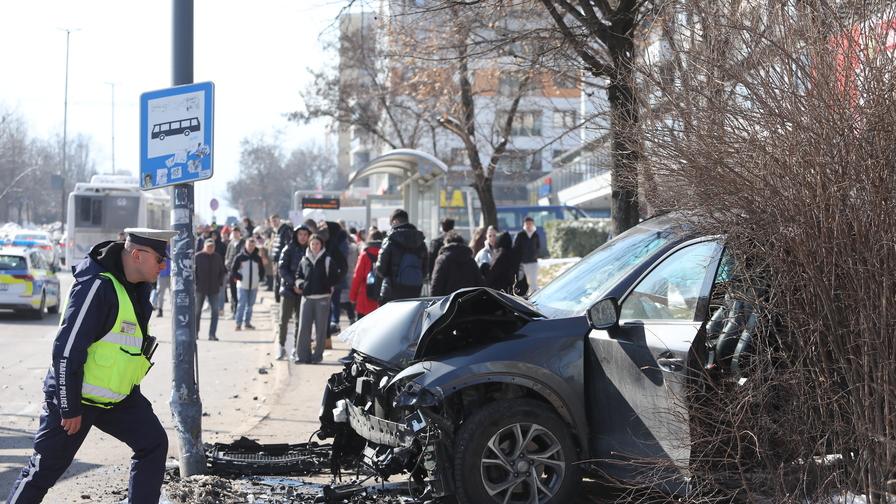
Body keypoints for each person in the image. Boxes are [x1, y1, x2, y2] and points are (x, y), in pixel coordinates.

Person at [7, 228, 172, 504]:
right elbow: (66, 349)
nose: (163, 266)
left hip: (118, 400)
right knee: (42, 473)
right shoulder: (97, 286)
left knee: (153, 443)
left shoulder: (137, 289)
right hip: (76, 399)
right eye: (159, 259)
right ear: (137, 255)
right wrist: (69, 405)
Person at [295, 234, 339, 363]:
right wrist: (301, 284)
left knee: (321, 330)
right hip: (307, 298)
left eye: (317, 244)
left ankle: (317, 356)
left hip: (323, 298)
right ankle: (303, 356)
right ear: (309, 244)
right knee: (304, 328)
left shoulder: (327, 260)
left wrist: (328, 285)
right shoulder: (304, 260)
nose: (315, 246)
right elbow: (298, 275)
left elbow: (335, 276)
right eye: (313, 243)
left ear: (321, 245)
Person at [375, 209, 428, 303]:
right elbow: (425, 269)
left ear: (395, 221)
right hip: (414, 290)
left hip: (391, 291)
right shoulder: (420, 241)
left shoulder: (390, 239)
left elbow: (380, 269)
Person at [277, 225, 311, 360]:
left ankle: (296, 349)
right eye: (300, 234)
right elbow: (282, 269)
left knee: (300, 322)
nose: (303, 237)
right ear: (296, 235)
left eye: (305, 234)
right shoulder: (288, 249)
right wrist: (293, 284)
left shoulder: (310, 250)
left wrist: (303, 286)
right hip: (288, 290)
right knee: (284, 320)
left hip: (303, 291)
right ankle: (281, 347)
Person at [430, 231, 484, 296]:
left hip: (447, 302)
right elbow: (479, 282)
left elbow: (436, 283)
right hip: (468, 301)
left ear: (446, 243)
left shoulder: (442, 259)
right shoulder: (470, 260)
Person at [195, 238, 227, 341]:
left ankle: (212, 334)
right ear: (204, 246)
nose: (210, 248)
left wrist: (219, 283)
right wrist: (196, 283)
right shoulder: (197, 257)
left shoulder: (217, 257)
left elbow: (222, 271)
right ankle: (195, 333)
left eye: (212, 247)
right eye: (208, 246)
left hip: (214, 289)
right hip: (200, 288)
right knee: (197, 311)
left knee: (215, 312)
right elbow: (193, 272)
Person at [231, 237, 265, 331]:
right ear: (245, 245)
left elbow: (262, 271)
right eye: (249, 245)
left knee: (250, 305)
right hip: (242, 285)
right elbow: (233, 270)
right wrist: (239, 277)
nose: (251, 247)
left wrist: (259, 279)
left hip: (254, 285)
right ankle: (238, 324)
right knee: (241, 304)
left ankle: (247, 323)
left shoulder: (257, 258)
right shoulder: (239, 257)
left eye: (253, 245)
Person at [349, 230, 384, 319]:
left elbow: (357, 277)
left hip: (365, 298)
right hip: (381, 297)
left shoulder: (364, 255)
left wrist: (353, 297)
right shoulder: (386, 253)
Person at [269, 214, 293, 304]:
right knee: (277, 281)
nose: (273, 223)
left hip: (282, 260)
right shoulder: (276, 231)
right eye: (272, 221)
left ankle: (281, 301)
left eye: (275, 221)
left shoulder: (285, 230)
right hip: (276, 260)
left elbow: (288, 246)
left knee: (280, 281)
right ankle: (278, 301)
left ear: (279, 220)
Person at [513, 216, 540, 294]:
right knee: (522, 281)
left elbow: (538, 246)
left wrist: (535, 255)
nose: (529, 225)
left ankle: (534, 295)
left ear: (533, 224)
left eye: (530, 224)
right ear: (524, 224)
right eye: (527, 224)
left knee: (533, 281)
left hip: (533, 262)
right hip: (523, 262)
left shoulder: (535, 235)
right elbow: (515, 248)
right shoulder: (520, 235)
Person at [223, 227, 245, 316]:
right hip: (231, 271)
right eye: (234, 232)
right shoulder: (231, 244)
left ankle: (239, 309)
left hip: (240, 271)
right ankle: (234, 308)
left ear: (240, 233)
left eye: (237, 232)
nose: (235, 234)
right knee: (233, 291)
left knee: (240, 290)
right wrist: (227, 265)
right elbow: (227, 256)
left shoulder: (243, 243)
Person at [149, 253, 170, 317]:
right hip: (162, 275)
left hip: (172, 275)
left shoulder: (173, 247)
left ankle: (175, 311)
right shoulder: (161, 248)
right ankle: (160, 310)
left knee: (173, 294)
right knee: (160, 294)